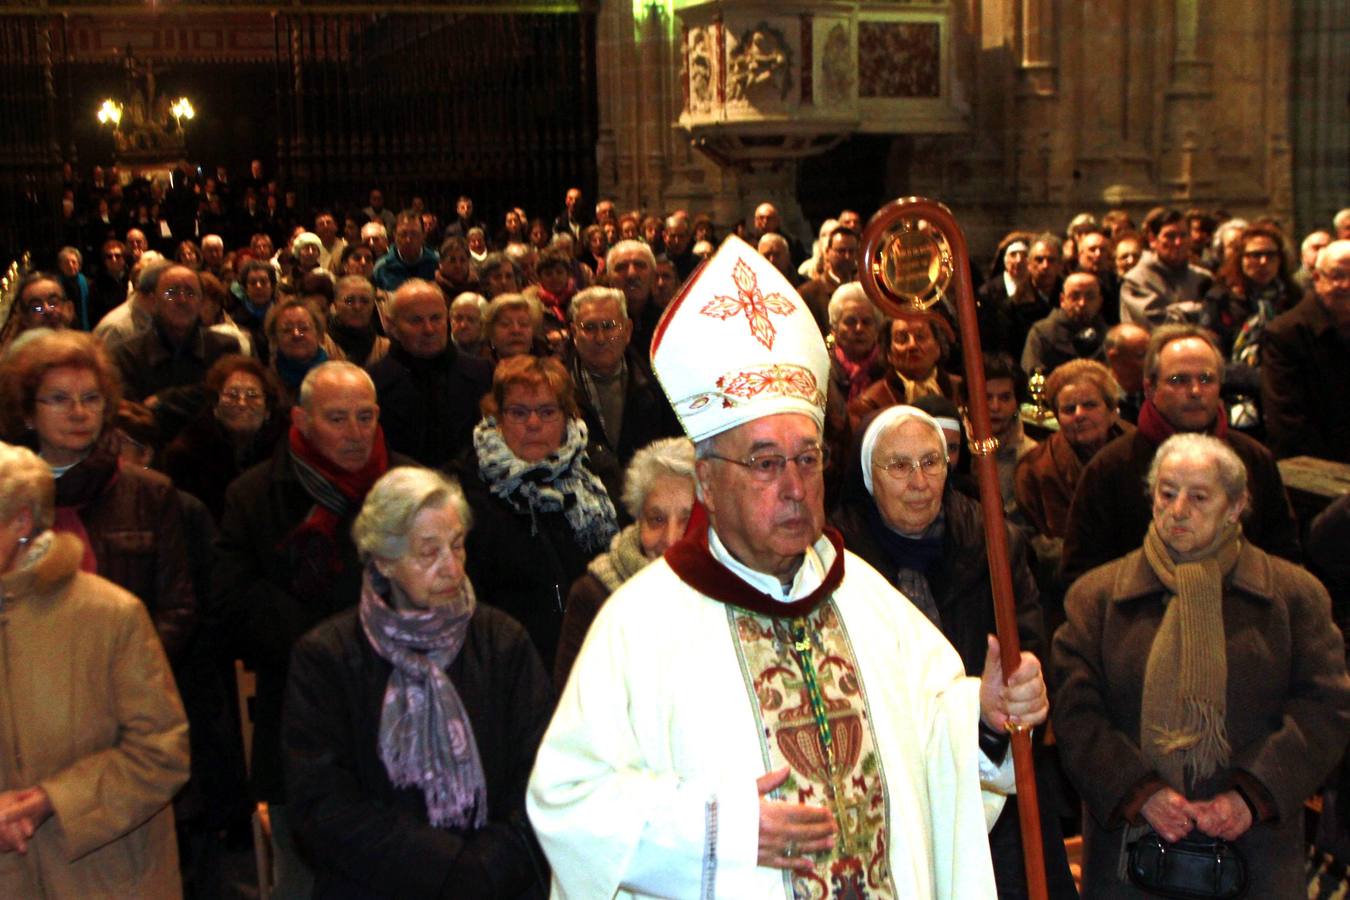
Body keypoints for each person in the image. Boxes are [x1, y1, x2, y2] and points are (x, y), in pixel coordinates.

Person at [527, 236, 1048, 898]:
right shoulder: (640, 625)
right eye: (766, 462)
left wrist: (987, 713)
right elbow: (569, 800)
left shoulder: (863, 595)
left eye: (807, 459)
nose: (795, 485)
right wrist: (717, 832)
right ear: (708, 484)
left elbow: (935, 736)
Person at [1052, 433, 1350, 898]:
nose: (1178, 509)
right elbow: (1076, 714)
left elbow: (1326, 711)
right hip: (1131, 851)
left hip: (1255, 851)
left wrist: (1251, 795)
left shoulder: (1294, 597)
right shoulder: (1096, 598)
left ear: (1235, 506)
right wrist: (1140, 792)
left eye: (1199, 496)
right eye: (1167, 493)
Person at [830, 404, 1076, 900]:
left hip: (991, 771)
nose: (918, 481)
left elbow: (1025, 647)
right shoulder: (837, 556)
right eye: (898, 466)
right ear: (867, 475)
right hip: (894, 776)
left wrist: (1010, 702)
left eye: (931, 462)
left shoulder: (992, 539)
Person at [282, 467, 553, 897]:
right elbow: (322, 807)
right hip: (374, 885)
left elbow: (544, 772)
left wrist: (487, 867)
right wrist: (446, 867)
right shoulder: (328, 658)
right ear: (384, 560)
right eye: (428, 553)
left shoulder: (503, 642)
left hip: (497, 885)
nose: (451, 567)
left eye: (458, 545)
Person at [212, 361, 405, 894]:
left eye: (366, 417)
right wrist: (333, 647)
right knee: (305, 879)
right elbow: (234, 604)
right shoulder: (254, 496)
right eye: (338, 418)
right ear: (301, 418)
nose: (356, 432)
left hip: (399, 710)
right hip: (299, 713)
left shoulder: (407, 490)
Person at [0, 441, 190, 897]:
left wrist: (51, 801)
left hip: (108, 878)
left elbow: (161, 753)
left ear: (21, 521)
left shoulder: (110, 615)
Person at [0, 329, 197, 663]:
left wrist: (118, 671)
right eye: (60, 399)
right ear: (28, 413)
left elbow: (177, 609)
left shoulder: (150, 493)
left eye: (91, 398)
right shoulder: (8, 493)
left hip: (120, 682)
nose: (79, 412)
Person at [1061, 324, 1300, 582]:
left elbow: (1284, 558)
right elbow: (1081, 575)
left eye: (1206, 379)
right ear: (1150, 387)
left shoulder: (1253, 459)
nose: (1195, 391)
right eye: (1179, 380)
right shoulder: (1110, 468)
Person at [453, 355, 619, 672]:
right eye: (518, 412)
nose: (533, 424)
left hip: (595, 654)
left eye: (547, 411)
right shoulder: (468, 490)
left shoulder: (598, 474)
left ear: (567, 415)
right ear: (497, 417)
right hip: (510, 662)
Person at [554, 436, 696, 687]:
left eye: (687, 520)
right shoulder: (594, 596)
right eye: (657, 519)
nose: (671, 539)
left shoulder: (740, 586)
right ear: (638, 519)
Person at [370, 279, 494, 468]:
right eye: (416, 321)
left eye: (436, 318)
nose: (429, 329)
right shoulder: (373, 383)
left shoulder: (481, 373)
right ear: (392, 326)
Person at [564, 286, 681, 468]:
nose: (600, 338)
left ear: (627, 330)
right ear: (574, 334)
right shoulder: (559, 390)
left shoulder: (657, 384)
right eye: (589, 327)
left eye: (609, 326)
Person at [162, 354, 287, 521]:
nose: (242, 403)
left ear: (267, 409)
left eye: (252, 395)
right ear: (215, 405)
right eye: (232, 395)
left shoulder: (286, 449)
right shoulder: (187, 453)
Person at [1260, 239, 1350, 462]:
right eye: (1337, 275)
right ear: (1317, 278)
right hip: (1314, 469)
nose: (1347, 285)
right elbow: (1288, 423)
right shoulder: (1285, 333)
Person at [847, 312, 963, 432]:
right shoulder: (869, 404)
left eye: (920, 337)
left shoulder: (962, 390)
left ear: (938, 347)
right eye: (901, 339)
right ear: (888, 354)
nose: (912, 345)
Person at [328, 275, 390, 368]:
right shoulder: (323, 345)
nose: (358, 307)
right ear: (335, 305)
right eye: (349, 301)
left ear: (373, 305)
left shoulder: (385, 349)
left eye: (365, 301)